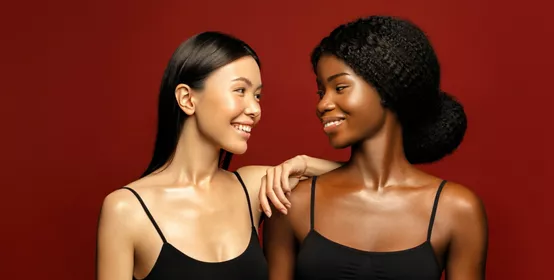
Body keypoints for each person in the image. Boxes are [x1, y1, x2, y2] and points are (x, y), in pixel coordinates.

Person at [95, 31, 341, 280]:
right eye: (239, 90)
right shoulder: (126, 210)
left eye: (257, 95)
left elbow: (363, 178)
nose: (255, 109)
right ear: (187, 99)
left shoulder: (253, 188)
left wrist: (303, 163)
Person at [263, 16, 488, 280]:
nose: (323, 104)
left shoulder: (456, 210)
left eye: (340, 87)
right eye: (321, 92)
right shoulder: (293, 203)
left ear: (387, 88)